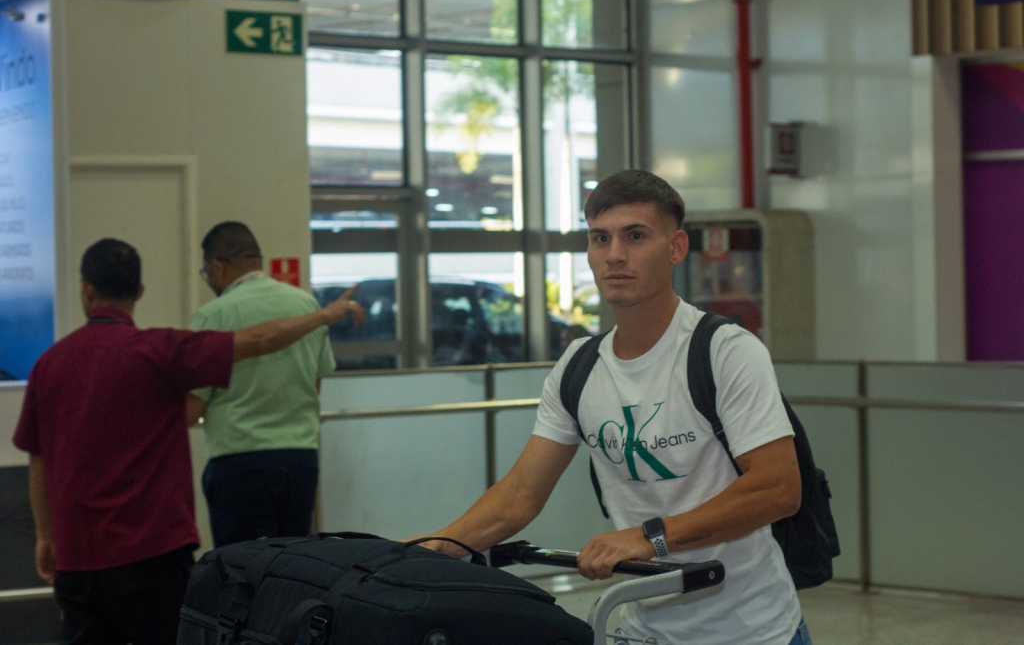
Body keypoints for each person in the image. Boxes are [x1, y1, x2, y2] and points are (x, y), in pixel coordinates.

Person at [414, 170, 810, 645]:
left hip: (753, 632)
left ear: (676, 247)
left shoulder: (724, 351)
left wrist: (651, 537)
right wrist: (438, 546)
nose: (615, 255)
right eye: (600, 238)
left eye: (636, 236)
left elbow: (778, 488)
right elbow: (520, 494)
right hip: (645, 627)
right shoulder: (579, 366)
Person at [12, 238, 364, 645]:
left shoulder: (49, 364)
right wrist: (323, 315)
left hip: (79, 556)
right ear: (140, 292)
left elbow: (37, 458)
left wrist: (45, 536)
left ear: (86, 290)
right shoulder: (161, 352)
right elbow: (259, 340)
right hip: (154, 553)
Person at [187, 222, 360, 547]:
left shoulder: (213, 316)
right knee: (290, 571)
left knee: (241, 573)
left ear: (217, 267)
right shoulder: (307, 307)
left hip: (239, 463)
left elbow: (194, 405)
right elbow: (315, 385)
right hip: (299, 460)